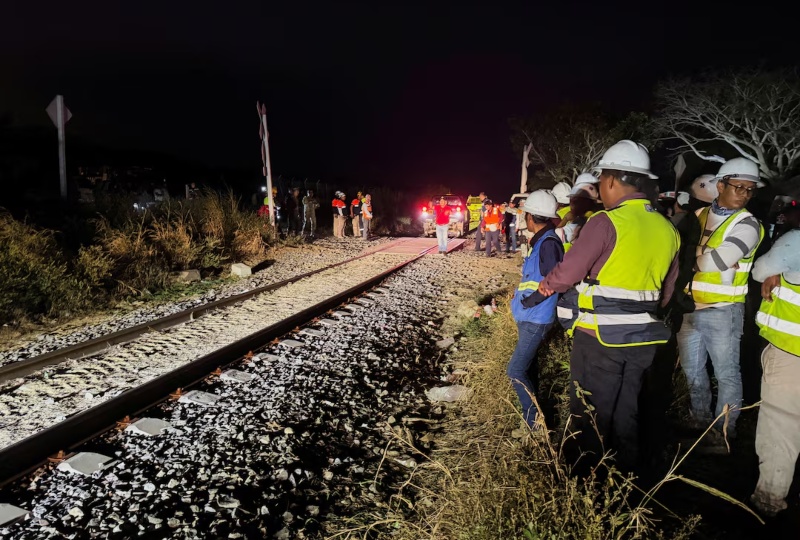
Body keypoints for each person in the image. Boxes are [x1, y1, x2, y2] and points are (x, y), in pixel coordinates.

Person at [538, 140, 680, 472]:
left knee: (590, 411)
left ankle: (586, 479)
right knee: (626, 409)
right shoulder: (668, 229)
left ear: (613, 180)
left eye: (602, 179)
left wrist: (548, 285)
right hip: (644, 339)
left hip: (599, 338)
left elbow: (569, 272)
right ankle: (624, 475)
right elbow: (666, 293)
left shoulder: (605, 222)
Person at [677, 157, 765, 449]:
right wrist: (697, 260)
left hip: (724, 311)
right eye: (739, 186)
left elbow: (719, 260)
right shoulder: (700, 215)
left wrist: (690, 259)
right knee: (692, 370)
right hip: (690, 308)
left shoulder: (749, 224)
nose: (744, 193)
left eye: (750, 189)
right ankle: (699, 419)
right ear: (720, 185)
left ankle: (723, 433)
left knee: (727, 374)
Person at [750, 228, 800, 517]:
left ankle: (768, 500)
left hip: (792, 356)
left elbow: (760, 271)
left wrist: (779, 275)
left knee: (781, 428)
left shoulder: (795, 242)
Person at [508, 191, 564, 431]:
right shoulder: (543, 241)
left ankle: (535, 423)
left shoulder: (548, 244)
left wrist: (529, 301)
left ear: (530, 217)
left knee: (515, 370)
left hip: (536, 318)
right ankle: (535, 418)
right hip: (530, 316)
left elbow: (556, 280)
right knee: (526, 368)